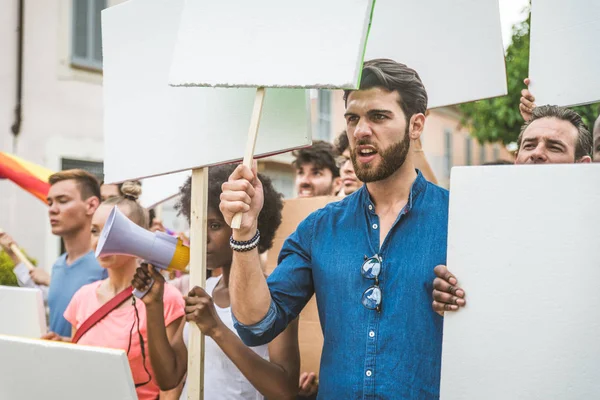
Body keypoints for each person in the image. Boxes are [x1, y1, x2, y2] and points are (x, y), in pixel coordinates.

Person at [220, 59, 450, 398]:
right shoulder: (318, 228)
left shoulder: (458, 220)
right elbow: (257, 324)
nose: (360, 131)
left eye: (379, 116)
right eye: (353, 118)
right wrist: (243, 232)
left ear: (416, 126)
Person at [132, 164, 300, 400]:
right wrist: (153, 304)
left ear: (252, 223)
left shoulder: (277, 295)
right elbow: (169, 376)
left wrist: (216, 329)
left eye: (215, 226)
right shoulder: (205, 289)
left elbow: (285, 391)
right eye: (198, 225)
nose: (203, 237)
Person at [432, 105, 594, 316]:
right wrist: (451, 298)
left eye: (554, 147)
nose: (537, 153)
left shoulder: (591, 234)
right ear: (516, 159)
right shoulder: (477, 226)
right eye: (529, 145)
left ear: (583, 165)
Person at [50, 181, 185, 400]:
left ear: (141, 236)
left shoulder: (167, 299)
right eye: (95, 231)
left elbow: (171, 386)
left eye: (112, 232)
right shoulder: (82, 297)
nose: (100, 241)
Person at [0, 169, 107, 337]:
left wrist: (65, 342)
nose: (52, 209)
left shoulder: (106, 263)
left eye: (62, 201)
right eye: (50, 203)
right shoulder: (59, 264)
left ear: (92, 205)